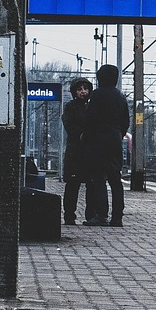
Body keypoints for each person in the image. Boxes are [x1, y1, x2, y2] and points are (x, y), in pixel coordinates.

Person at [86, 63, 129, 226]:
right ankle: (117, 217)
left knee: (99, 179)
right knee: (115, 180)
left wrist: (87, 137)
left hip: (98, 141)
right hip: (115, 140)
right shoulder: (120, 96)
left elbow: (90, 119)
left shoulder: (97, 95)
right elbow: (126, 121)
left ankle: (101, 215)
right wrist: (119, 134)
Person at [59, 77, 94, 225]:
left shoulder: (92, 107)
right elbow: (69, 125)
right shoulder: (70, 107)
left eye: (85, 89)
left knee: (91, 185)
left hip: (89, 151)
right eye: (80, 89)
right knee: (72, 185)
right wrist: (82, 135)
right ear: (75, 92)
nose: (83, 92)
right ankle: (69, 216)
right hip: (75, 151)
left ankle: (91, 215)